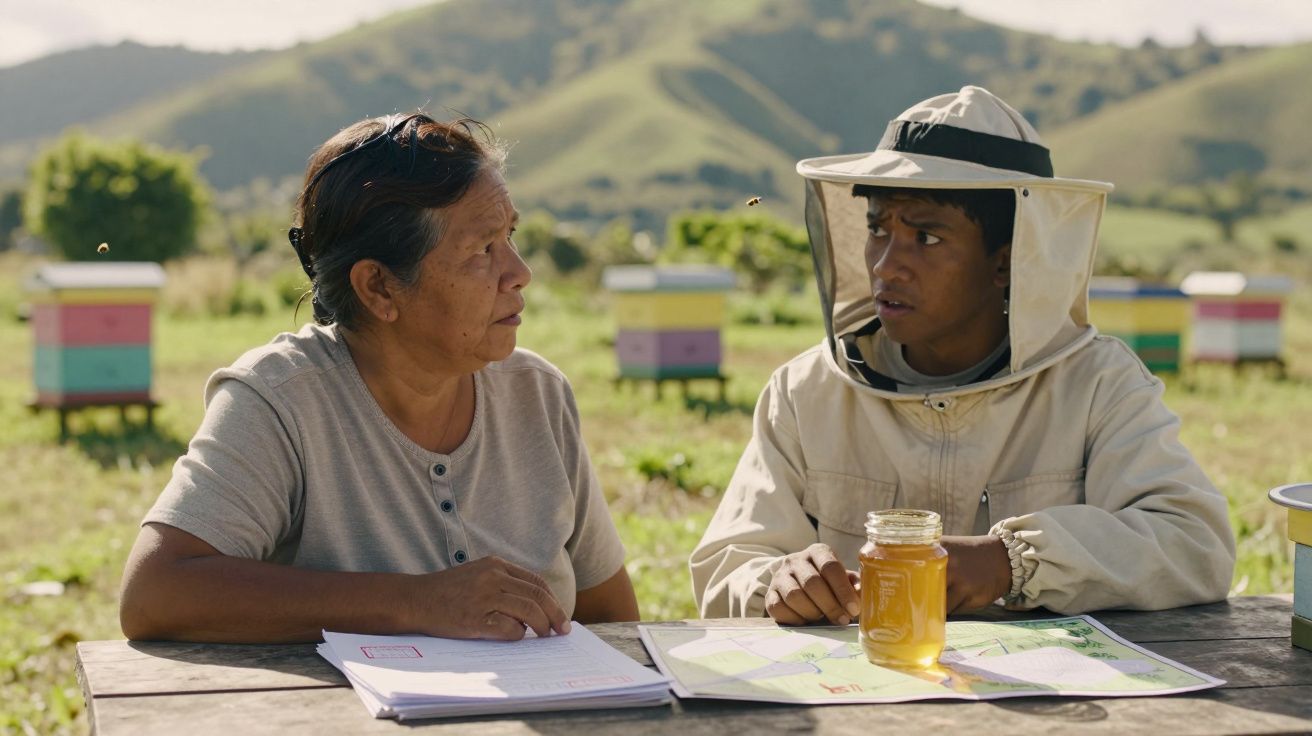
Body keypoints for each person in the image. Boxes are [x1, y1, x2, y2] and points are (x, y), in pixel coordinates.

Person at [690, 86, 1235, 623]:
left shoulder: (1098, 385)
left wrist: (1011, 561)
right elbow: (726, 569)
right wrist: (778, 583)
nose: (885, 265)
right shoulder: (806, 390)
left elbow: (1195, 545)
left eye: (925, 237)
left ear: (1006, 262)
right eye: (878, 229)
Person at [120, 113, 638, 643]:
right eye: (484, 249)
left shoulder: (538, 394)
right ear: (379, 288)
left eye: (510, 236)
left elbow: (612, 617)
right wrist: (414, 602)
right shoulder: (281, 402)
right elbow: (156, 592)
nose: (520, 271)